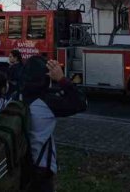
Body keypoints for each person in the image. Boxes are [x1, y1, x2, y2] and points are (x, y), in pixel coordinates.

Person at [21, 56, 87, 191]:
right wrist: (62, 80)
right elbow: (81, 103)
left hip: (17, 166)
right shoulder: (48, 103)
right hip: (40, 168)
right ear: (45, 78)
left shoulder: (15, 97)